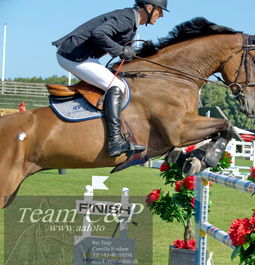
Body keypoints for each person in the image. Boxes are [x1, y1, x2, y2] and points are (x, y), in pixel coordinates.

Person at [52, 0, 168, 157]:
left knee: (121, 82)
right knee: (117, 86)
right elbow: (99, 34)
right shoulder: (127, 19)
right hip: (74, 56)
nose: (160, 15)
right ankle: (114, 141)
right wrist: (120, 50)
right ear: (149, 8)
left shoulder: (131, 21)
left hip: (84, 56)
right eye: (159, 10)